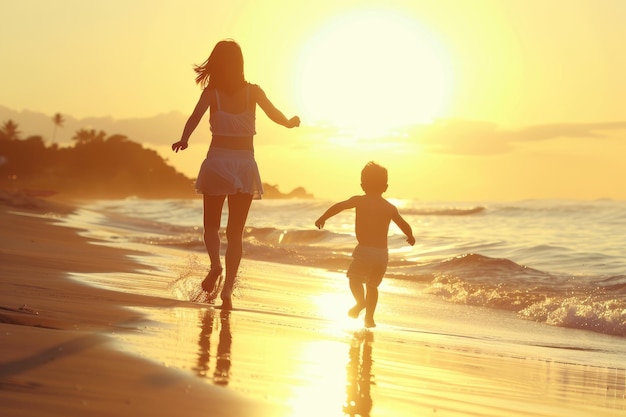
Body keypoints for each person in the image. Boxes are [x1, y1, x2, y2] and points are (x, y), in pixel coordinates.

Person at [172, 39, 300, 310]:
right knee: (235, 233)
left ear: (216, 63)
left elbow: (194, 117)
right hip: (243, 163)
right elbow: (274, 114)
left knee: (211, 226)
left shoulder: (212, 93)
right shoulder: (252, 92)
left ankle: (216, 266)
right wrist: (289, 123)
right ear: (240, 63)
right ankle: (227, 289)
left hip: (217, 161)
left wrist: (184, 139)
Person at [315, 162, 415, 328]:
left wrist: (323, 217)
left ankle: (360, 303)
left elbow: (339, 207)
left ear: (362, 185)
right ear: (386, 187)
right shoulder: (390, 207)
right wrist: (410, 236)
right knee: (373, 286)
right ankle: (369, 318)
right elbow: (403, 224)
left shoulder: (359, 201)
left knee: (354, 279)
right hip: (382, 254)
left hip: (365, 251)